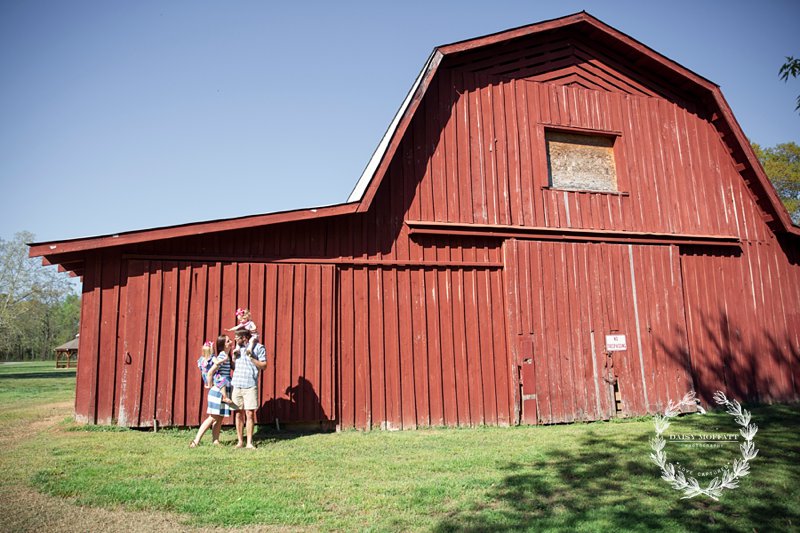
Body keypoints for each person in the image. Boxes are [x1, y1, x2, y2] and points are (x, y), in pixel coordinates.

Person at [190, 335, 234, 447]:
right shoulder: (221, 356)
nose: (231, 342)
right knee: (213, 416)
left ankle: (215, 441)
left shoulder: (227, 356)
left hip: (224, 388)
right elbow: (210, 372)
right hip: (218, 390)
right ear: (223, 344)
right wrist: (210, 385)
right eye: (228, 341)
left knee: (219, 417)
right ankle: (196, 441)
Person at [231, 329, 267, 449]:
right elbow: (234, 365)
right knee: (238, 414)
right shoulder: (237, 349)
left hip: (250, 385)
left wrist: (252, 358)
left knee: (249, 414)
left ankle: (249, 443)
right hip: (237, 384)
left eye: (237, 337)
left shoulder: (258, 348)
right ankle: (240, 441)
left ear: (245, 337)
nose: (235, 339)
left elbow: (264, 365)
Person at [197, 340, 233, 405]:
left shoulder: (202, 358)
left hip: (205, 376)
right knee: (222, 381)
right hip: (212, 376)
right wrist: (224, 359)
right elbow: (216, 364)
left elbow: (200, 367)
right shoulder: (213, 357)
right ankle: (224, 397)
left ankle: (209, 385)